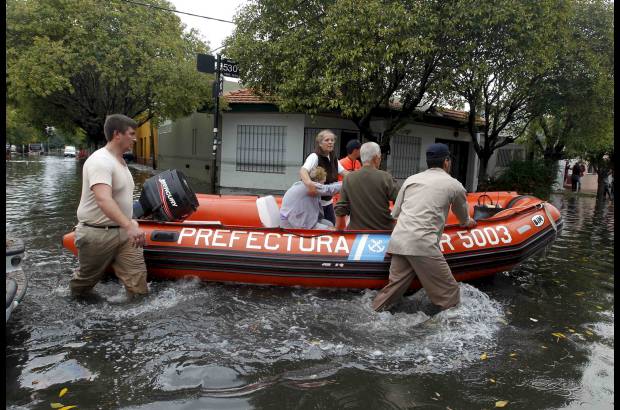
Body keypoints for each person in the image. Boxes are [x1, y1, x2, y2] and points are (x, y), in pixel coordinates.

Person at [372, 143, 476, 313]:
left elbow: (396, 212)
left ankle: (374, 312)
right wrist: (469, 223)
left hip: (399, 241)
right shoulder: (454, 185)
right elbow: (463, 217)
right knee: (450, 294)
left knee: (392, 291)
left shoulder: (411, 180)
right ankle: (449, 328)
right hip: (423, 244)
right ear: (447, 162)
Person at [70, 114, 148, 297]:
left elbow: (121, 198)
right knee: (85, 283)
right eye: (131, 133)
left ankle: (135, 322)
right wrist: (129, 225)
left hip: (124, 234)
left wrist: (130, 223)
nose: (135, 138)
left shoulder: (121, 162)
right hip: (97, 233)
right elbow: (103, 199)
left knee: (138, 283)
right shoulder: (100, 161)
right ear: (117, 134)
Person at [335, 142, 398, 230]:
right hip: (383, 231)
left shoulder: (348, 178)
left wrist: (339, 230)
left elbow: (341, 208)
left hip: (356, 233)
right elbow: (400, 200)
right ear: (376, 158)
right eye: (380, 158)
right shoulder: (386, 177)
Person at [300, 130, 349, 225]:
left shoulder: (333, 157)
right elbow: (303, 170)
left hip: (328, 201)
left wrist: (358, 177)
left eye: (332, 140)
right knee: (318, 227)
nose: (330, 142)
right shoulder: (314, 156)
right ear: (320, 143)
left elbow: (344, 172)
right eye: (327, 140)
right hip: (314, 202)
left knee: (332, 226)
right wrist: (309, 183)